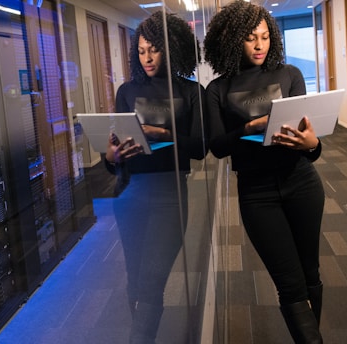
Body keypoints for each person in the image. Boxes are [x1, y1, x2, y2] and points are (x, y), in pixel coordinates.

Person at [202, 1, 325, 343]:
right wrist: (250, 127)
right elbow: (217, 145)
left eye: (265, 36)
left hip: (302, 183)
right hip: (257, 194)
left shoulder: (289, 75)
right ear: (231, 41)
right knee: (289, 282)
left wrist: (312, 143)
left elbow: (309, 146)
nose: (259, 45)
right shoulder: (218, 89)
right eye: (250, 38)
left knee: (309, 271)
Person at [103, 10, 206, 343]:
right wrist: (111, 157)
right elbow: (114, 155)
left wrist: (161, 133)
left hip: (169, 196)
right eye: (142, 50)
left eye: (154, 49)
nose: (147, 58)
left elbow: (201, 148)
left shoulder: (191, 92)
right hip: (129, 193)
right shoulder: (126, 91)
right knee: (135, 279)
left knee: (151, 281)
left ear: (171, 48)